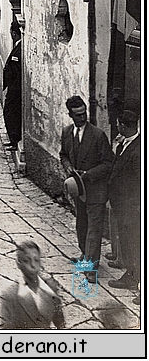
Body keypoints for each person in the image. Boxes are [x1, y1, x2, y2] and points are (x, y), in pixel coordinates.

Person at [59, 95, 113, 281]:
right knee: (81, 225)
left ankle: (91, 268)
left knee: (94, 229)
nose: (82, 118)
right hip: (79, 191)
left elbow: (108, 163)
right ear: (70, 115)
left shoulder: (98, 135)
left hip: (96, 190)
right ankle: (85, 255)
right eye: (78, 115)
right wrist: (67, 167)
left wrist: (88, 174)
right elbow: (63, 155)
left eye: (84, 114)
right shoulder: (67, 133)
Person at [107, 110, 141, 291]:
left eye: (119, 125)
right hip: (120, 203)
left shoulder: (138, 150)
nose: (117, 127)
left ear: (125, 126)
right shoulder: (123, 144)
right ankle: (129, 270)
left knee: (131, 241)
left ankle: (132, 277)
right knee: (125, 239)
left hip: (131, 206)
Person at [0, 241, 64, 329]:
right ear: (18, 264)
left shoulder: (51, 288)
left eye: (36, 260)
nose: (33, 265)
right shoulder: (10, 295)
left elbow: (60, 323)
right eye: (27, 261)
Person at [2, 22, 22, 150]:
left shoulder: (19, 49)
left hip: (15, 90)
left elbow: (16, 71)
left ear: (14, 33)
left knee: (10, 113)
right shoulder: (18, 46)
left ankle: (14, 141)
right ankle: (12, 140)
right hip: (13, 88)